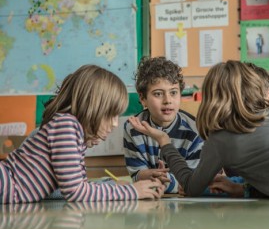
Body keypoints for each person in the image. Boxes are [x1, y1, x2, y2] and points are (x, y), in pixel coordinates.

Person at [129, 60, 269, 200]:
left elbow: (191, 187)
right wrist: (243, 188)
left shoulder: (220, 140)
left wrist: (164, 141)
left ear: (212, 98)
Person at [0, 65, 164, 204]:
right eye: (111, 115)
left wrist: (116, 187)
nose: (115, 123)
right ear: (92, 107)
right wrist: (131, 192)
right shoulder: (66, 126)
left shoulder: (71, 132)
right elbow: (76, 192)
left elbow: (73, 187)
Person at [123, 56, 203, 193]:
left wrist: (163, 182)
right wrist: (148, 175)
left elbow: (193, 181)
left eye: (173, 92)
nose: (168, 100)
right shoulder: (133, 127)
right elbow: (136, 174)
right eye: (158, 94)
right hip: (148, 200)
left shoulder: (195, 131)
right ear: (143, 99)